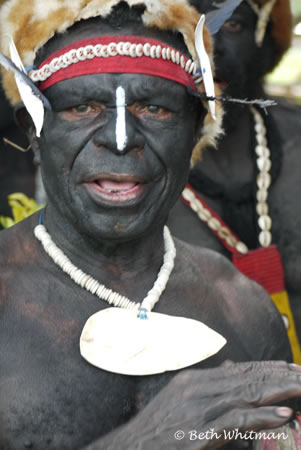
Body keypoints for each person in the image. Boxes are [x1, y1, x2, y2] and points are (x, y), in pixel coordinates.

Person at [0, 1, 300, 449]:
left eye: (154, 108)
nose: (120, 141)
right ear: (34, 130)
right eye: (82, 107)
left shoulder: (247, 311)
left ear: (197, 128)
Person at [169, 0, 301, 363]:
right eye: (189, 25)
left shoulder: (296, 141)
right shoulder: (131, 172)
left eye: (234, 25)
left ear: (266, 43)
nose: (209, 43)